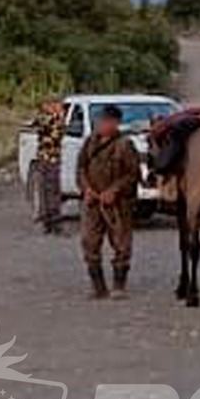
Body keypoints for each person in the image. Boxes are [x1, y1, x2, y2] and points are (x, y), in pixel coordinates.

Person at [78, 104, 140, 299]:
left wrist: (114, 190)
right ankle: (98, 287)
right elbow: (80, 169)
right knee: (89, 242)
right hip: (93, 203)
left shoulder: (125, 145)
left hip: (118, 205)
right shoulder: (89, 143)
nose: (100, 124)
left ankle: (119, 286)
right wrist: (86, 189)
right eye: (99, 120)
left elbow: (133, 174)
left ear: (115, 123)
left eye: (105, 121)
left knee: (121, 244)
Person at [31, 93, 66, 234]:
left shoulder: (49, 119)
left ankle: (50, 221)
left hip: (49, 158)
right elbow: (54, 137)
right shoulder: (50, 120)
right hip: (49, 159)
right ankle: (52, 222)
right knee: (50, 191)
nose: (60, 107)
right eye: (58, 105)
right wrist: (57, 117)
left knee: (49, 191)